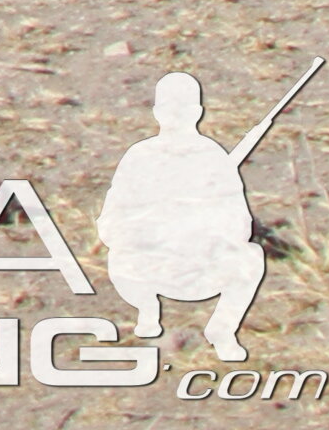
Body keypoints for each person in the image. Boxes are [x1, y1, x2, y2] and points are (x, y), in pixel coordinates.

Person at [97, 70, 271, 361]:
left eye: (184, 108)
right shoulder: (139, 156)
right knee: (118, 257)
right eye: (169, 108)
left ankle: (222, 330)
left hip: (201, 265)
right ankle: (147, 309)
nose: (176, 115)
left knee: (250, 256)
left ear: (198, 112)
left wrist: (203, 224)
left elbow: (239, 225)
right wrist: (147, 227)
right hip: (149, 265)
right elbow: (110, 223)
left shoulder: (213, 157)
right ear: (157, 112)